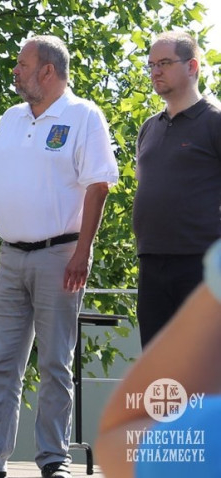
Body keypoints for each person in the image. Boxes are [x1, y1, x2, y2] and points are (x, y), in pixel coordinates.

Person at [0, 35, 119, 478]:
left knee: (55, 362)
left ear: (47, 71)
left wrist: (83, 252)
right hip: (11, 258)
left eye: (22, 64)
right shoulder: (10, 118)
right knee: (1, 362)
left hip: (60, 255)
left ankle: (54, 460)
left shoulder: (83, 116)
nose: (15, 72)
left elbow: (99, 186)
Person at [97, 239, 221, 477]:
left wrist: (216, 278)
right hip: (153, 259)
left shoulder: (211, 438)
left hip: (194, 258)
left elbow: (117, 438)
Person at [131, 31, 221, 348]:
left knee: (201, 364)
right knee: (158, 364)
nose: (155, 71)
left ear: (192, 66)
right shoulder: (149, 128)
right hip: (152, 263)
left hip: (200, 266)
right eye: (151, 64)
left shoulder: (214, 122)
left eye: (165, 63)